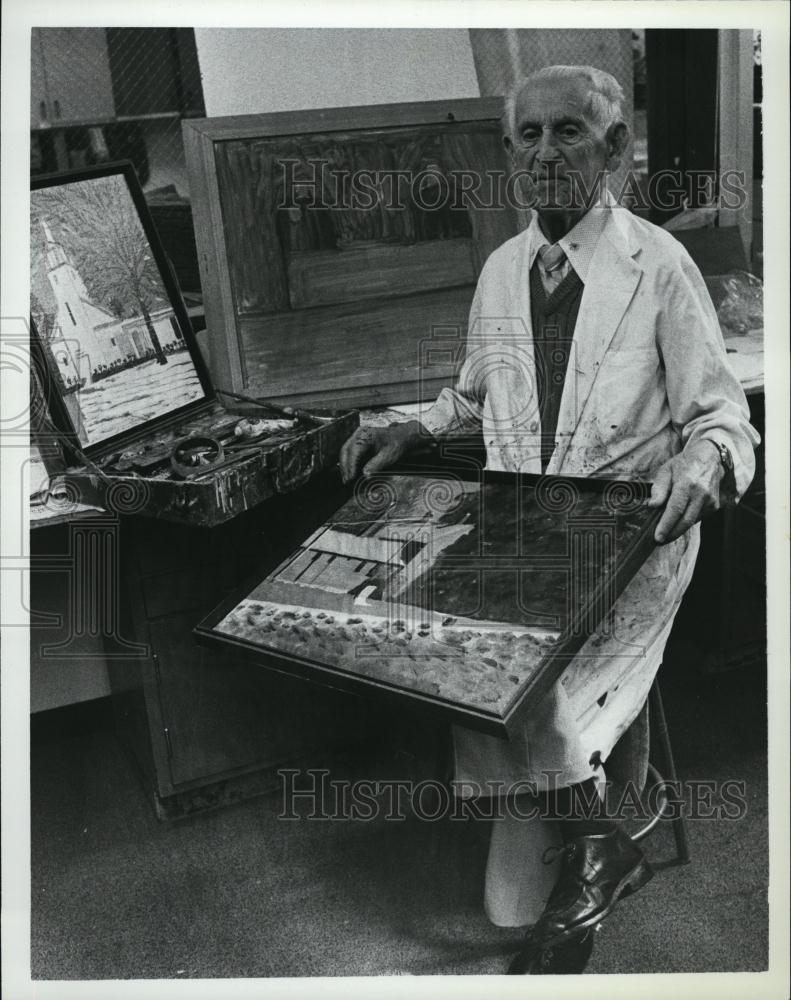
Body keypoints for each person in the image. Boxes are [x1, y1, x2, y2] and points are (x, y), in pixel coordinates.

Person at [339, 64, 759, 974]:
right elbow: (471, 393)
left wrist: (704, 460)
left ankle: (594, 836)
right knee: (451, 653)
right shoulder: (501, 270)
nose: (543, 153)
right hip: (523, 531)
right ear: (508, 153)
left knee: (520, 673)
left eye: (567, 131)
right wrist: (411, 421)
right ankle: (603, 835)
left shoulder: (658, 265)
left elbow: (724, 416)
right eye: (525, 136)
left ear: (614, 149)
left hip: (629, 538)